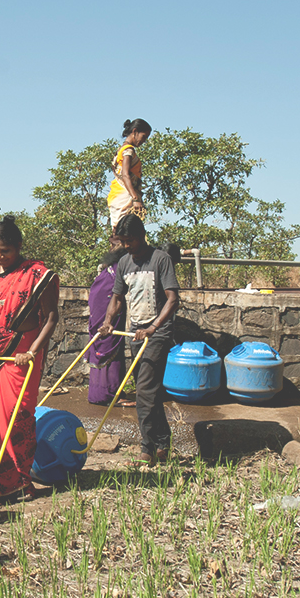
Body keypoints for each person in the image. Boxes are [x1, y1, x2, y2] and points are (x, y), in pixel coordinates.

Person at [0, 216, 60, 505]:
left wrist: (32, 352)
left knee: (14, 419)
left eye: (5, 250)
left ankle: (15, 483)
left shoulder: (39, 275)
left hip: (20, 357)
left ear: (18, 247)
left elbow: (51, 317)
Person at [99, 213, 180, 464]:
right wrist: (108, 321)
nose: (126, 246)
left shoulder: (161, 259)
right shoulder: (123, 263)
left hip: (157, 333)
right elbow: (117, 298)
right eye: (122, 241)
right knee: (150, 390)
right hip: (135, 332)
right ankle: (163, 442)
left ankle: (147, 447)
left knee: (144, 389)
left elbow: (172, 299)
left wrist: (154, 327)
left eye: (130, 241)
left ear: (142, 235)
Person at [88, 238, 128, 405]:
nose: (111, 247)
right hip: (108, 307)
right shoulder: (119, 267)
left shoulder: (115, 267)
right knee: (109, 343)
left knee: (109, 343)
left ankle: (110, 391)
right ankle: (108, 394)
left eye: (114, 244)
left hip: (106, 305)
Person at [107, 119, 152, 231]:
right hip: (124, 196)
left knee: (119, 231)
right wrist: (135, 198)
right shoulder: (128, 151)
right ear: (135, 132)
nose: (144, 141)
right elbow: (125, 175)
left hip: (118, 195)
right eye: (144, 136)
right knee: (124, 232)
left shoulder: (121, 150)